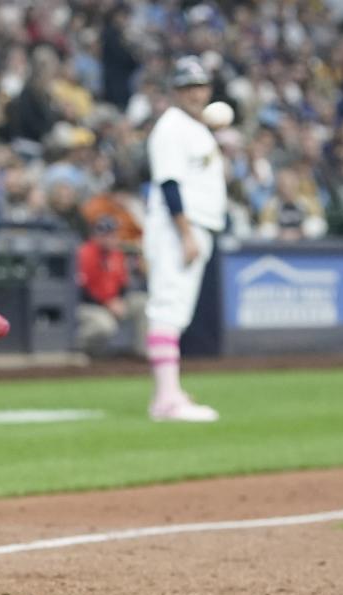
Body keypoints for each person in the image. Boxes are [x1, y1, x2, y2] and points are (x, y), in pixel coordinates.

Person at [143, 56, 224, 422]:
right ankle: (166, 400)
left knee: (177, 311)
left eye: (200, 85)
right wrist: (185, 233)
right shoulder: (172, 126)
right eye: (188, 87)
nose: (196, 92)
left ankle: (170, 390)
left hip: (196, 227)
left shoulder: (197, 128)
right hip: (178, 229)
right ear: (176, 91)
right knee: (168, 308)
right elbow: (170, 183)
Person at [75, 217, 146, 356]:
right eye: (106, 235)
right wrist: (107, 303)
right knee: (105, 325)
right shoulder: (84, 253)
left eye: (113, 234)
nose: (111, 239)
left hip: (112, 303)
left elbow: (122, 284)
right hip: (89, 305)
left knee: (142, 303)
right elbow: (82, 290)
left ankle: (142, 352)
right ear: (96, 236)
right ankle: (75, 349)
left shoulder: (117, 254)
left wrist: (119, 300)